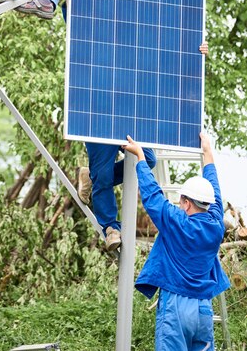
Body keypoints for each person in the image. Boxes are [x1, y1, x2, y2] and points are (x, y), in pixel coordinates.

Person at [77, 42, 209, 252]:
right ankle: (110, 227)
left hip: (128, 110)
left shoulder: (138, 42)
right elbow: (81, 29)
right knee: (102, 175)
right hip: (100, 111)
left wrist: (194, 53)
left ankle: (90, 177)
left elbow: (169, 55)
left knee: (148, 159)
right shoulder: (103, 38)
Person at [123, 132, 230, 351]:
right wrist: (208, 153)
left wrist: (140, 156)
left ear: (188, 203)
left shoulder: (176, 223)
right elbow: (214, 189)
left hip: (176, 306)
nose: (179, 204)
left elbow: (152, 198)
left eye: (181, 200)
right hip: (204, 308)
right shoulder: (216, 224)